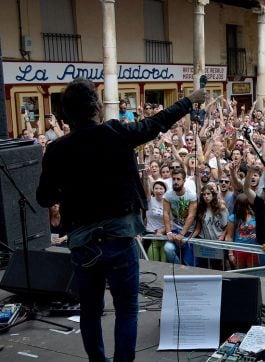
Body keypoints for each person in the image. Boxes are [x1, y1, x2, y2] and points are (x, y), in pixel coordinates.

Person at [36, 77, 206, 362]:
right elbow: (156, 123)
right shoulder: (114, 132)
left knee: (90, 311)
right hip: (119, 236)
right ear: (96, 109)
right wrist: (189, 101)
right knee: (126, 309)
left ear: (66, 115)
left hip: (82, 242)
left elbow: (43, 198)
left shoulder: (56, 150)